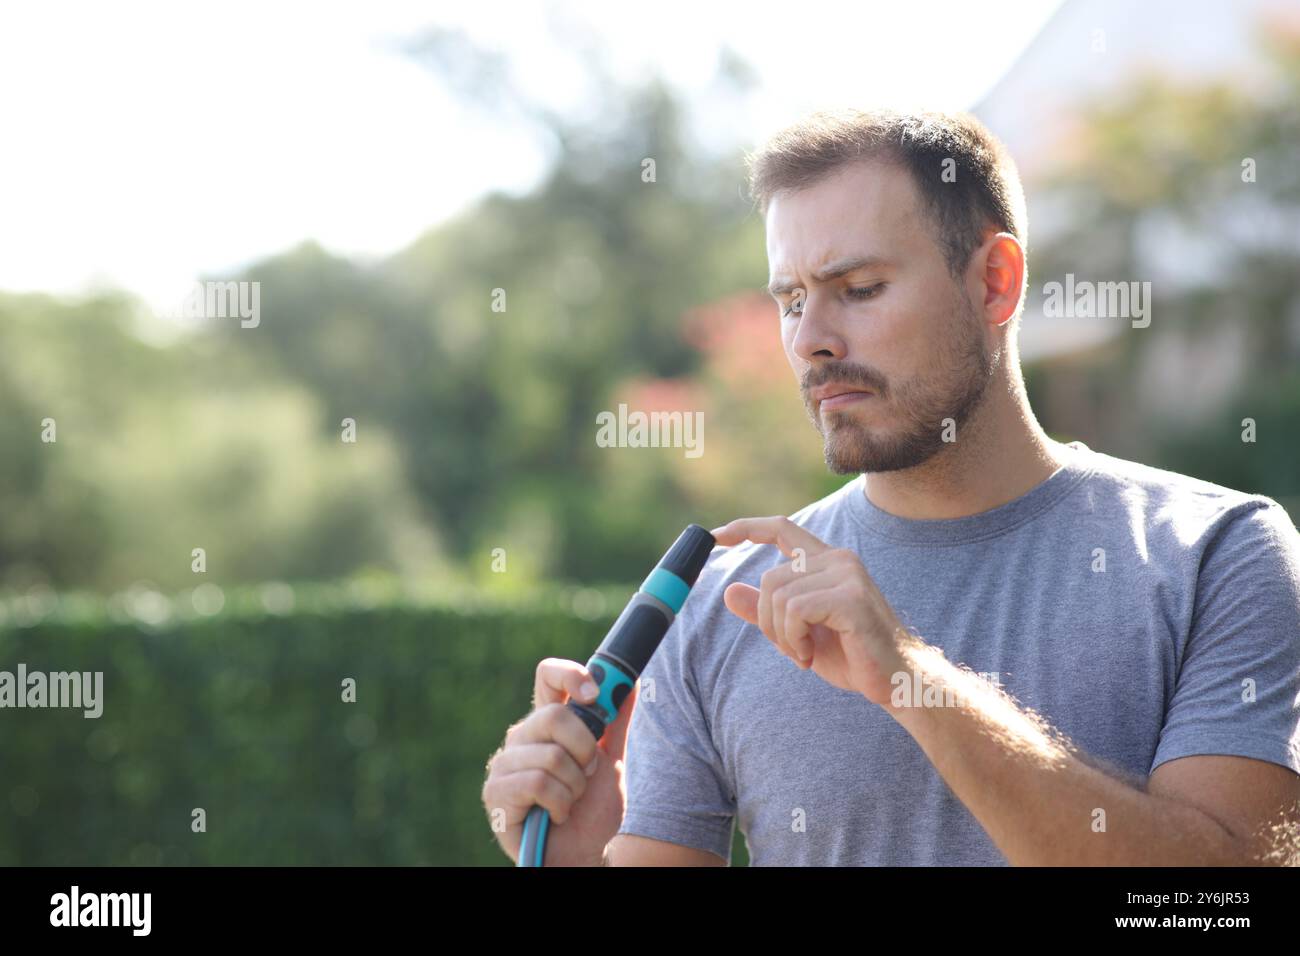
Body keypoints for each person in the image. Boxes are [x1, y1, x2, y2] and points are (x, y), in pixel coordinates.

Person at [481, 108, 1300, 865]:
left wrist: (912, 677)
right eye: (791, 301)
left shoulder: (1217, 554)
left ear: (995, 283)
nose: (810, 341)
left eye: (859, 290)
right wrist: (576, 859)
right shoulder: (720, 605)